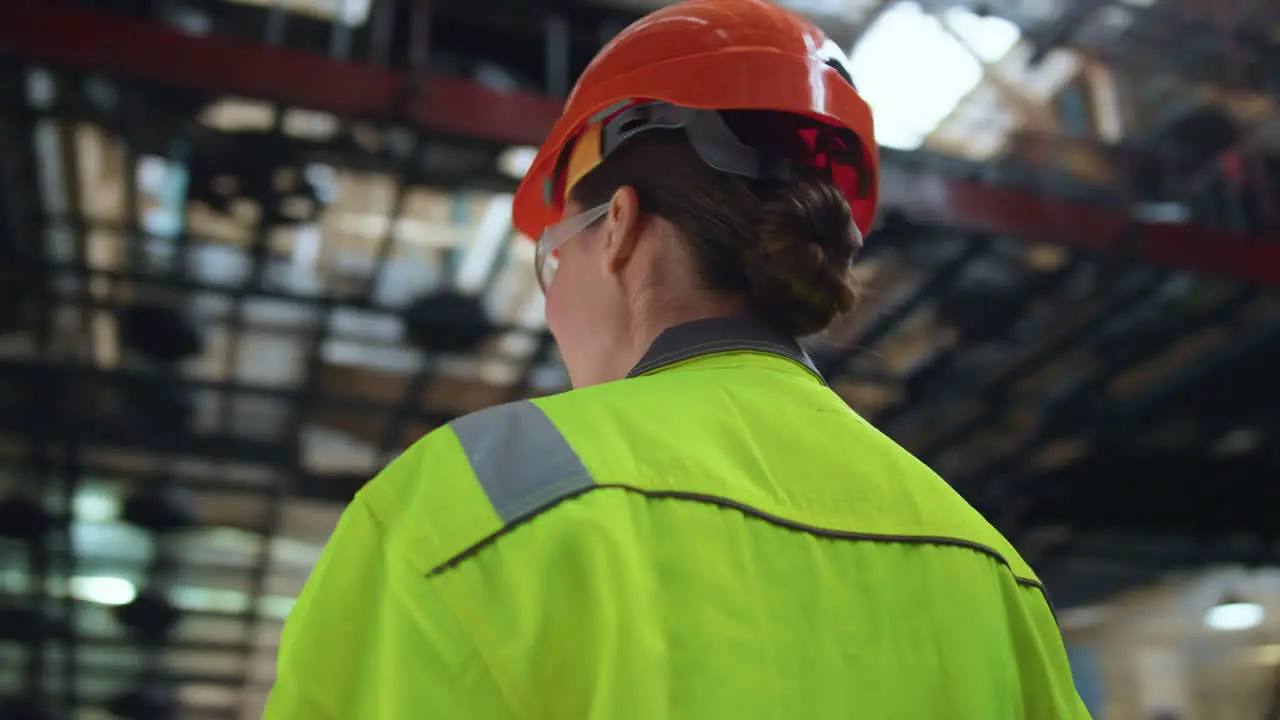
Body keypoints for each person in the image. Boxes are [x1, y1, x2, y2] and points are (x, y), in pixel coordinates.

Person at [265, 0, 1091, 717]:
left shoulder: (471, 502)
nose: (552, 306)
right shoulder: (989, 570)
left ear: (618, 228)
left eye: (553, 257)